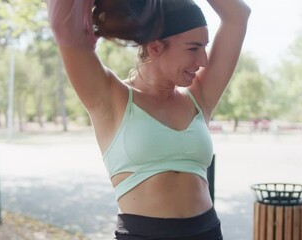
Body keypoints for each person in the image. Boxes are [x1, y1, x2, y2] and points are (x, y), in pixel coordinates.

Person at [47, 0, 250, 239]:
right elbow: (65, 29)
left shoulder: (200, 97)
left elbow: (238, 15)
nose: (204, 60)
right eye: (193, 48)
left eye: (204, 47)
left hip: (207, 231)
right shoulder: (110, 97)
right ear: (155, 47)